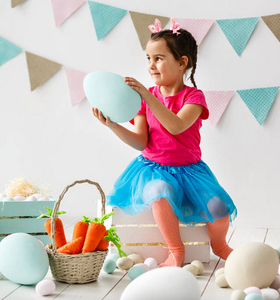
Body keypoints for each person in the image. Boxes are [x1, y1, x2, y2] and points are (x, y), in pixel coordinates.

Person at [92, 18, 237, 267]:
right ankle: (176, 250)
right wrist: (113, 125)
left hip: (190, 170)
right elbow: (140, 142)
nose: (151, 65)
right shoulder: (144, 100)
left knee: (219, 207)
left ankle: (220, 245)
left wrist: (148, 96)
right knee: (159, 193)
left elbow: (176, 125)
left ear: (182, 63)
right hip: (153, 169)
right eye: (148, 59)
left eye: (158, 58)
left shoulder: (194, 97)